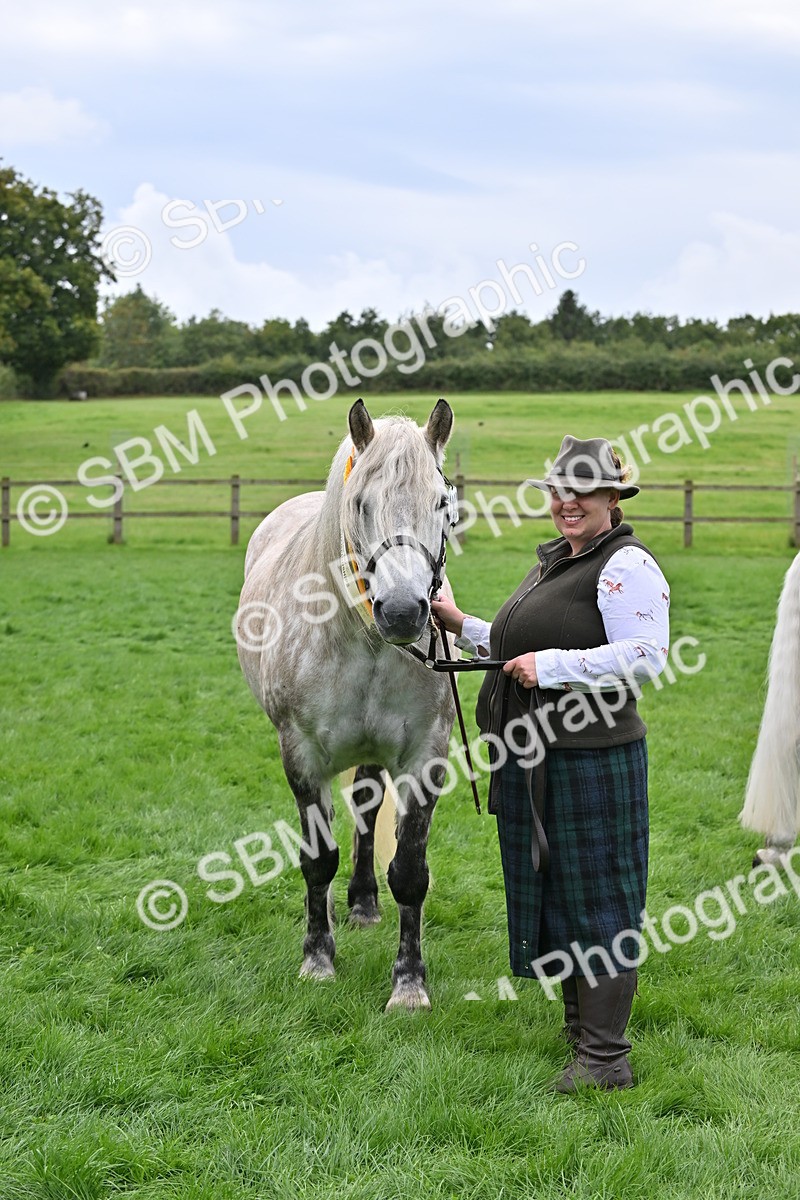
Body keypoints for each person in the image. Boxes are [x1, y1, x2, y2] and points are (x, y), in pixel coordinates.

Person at [432, 435, 670, 1091]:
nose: (568, 502)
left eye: (583, 491)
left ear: (612, 498)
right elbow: (522, 644)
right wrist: (459, 623)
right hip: (538, 755)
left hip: (590, 758)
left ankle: (605, 1061)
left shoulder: (624, 565)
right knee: (565, 898)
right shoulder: (561, 562)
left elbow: (648, 655)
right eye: (559, 491)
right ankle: (583, 1038)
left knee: (601, 903)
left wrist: (555, 669)